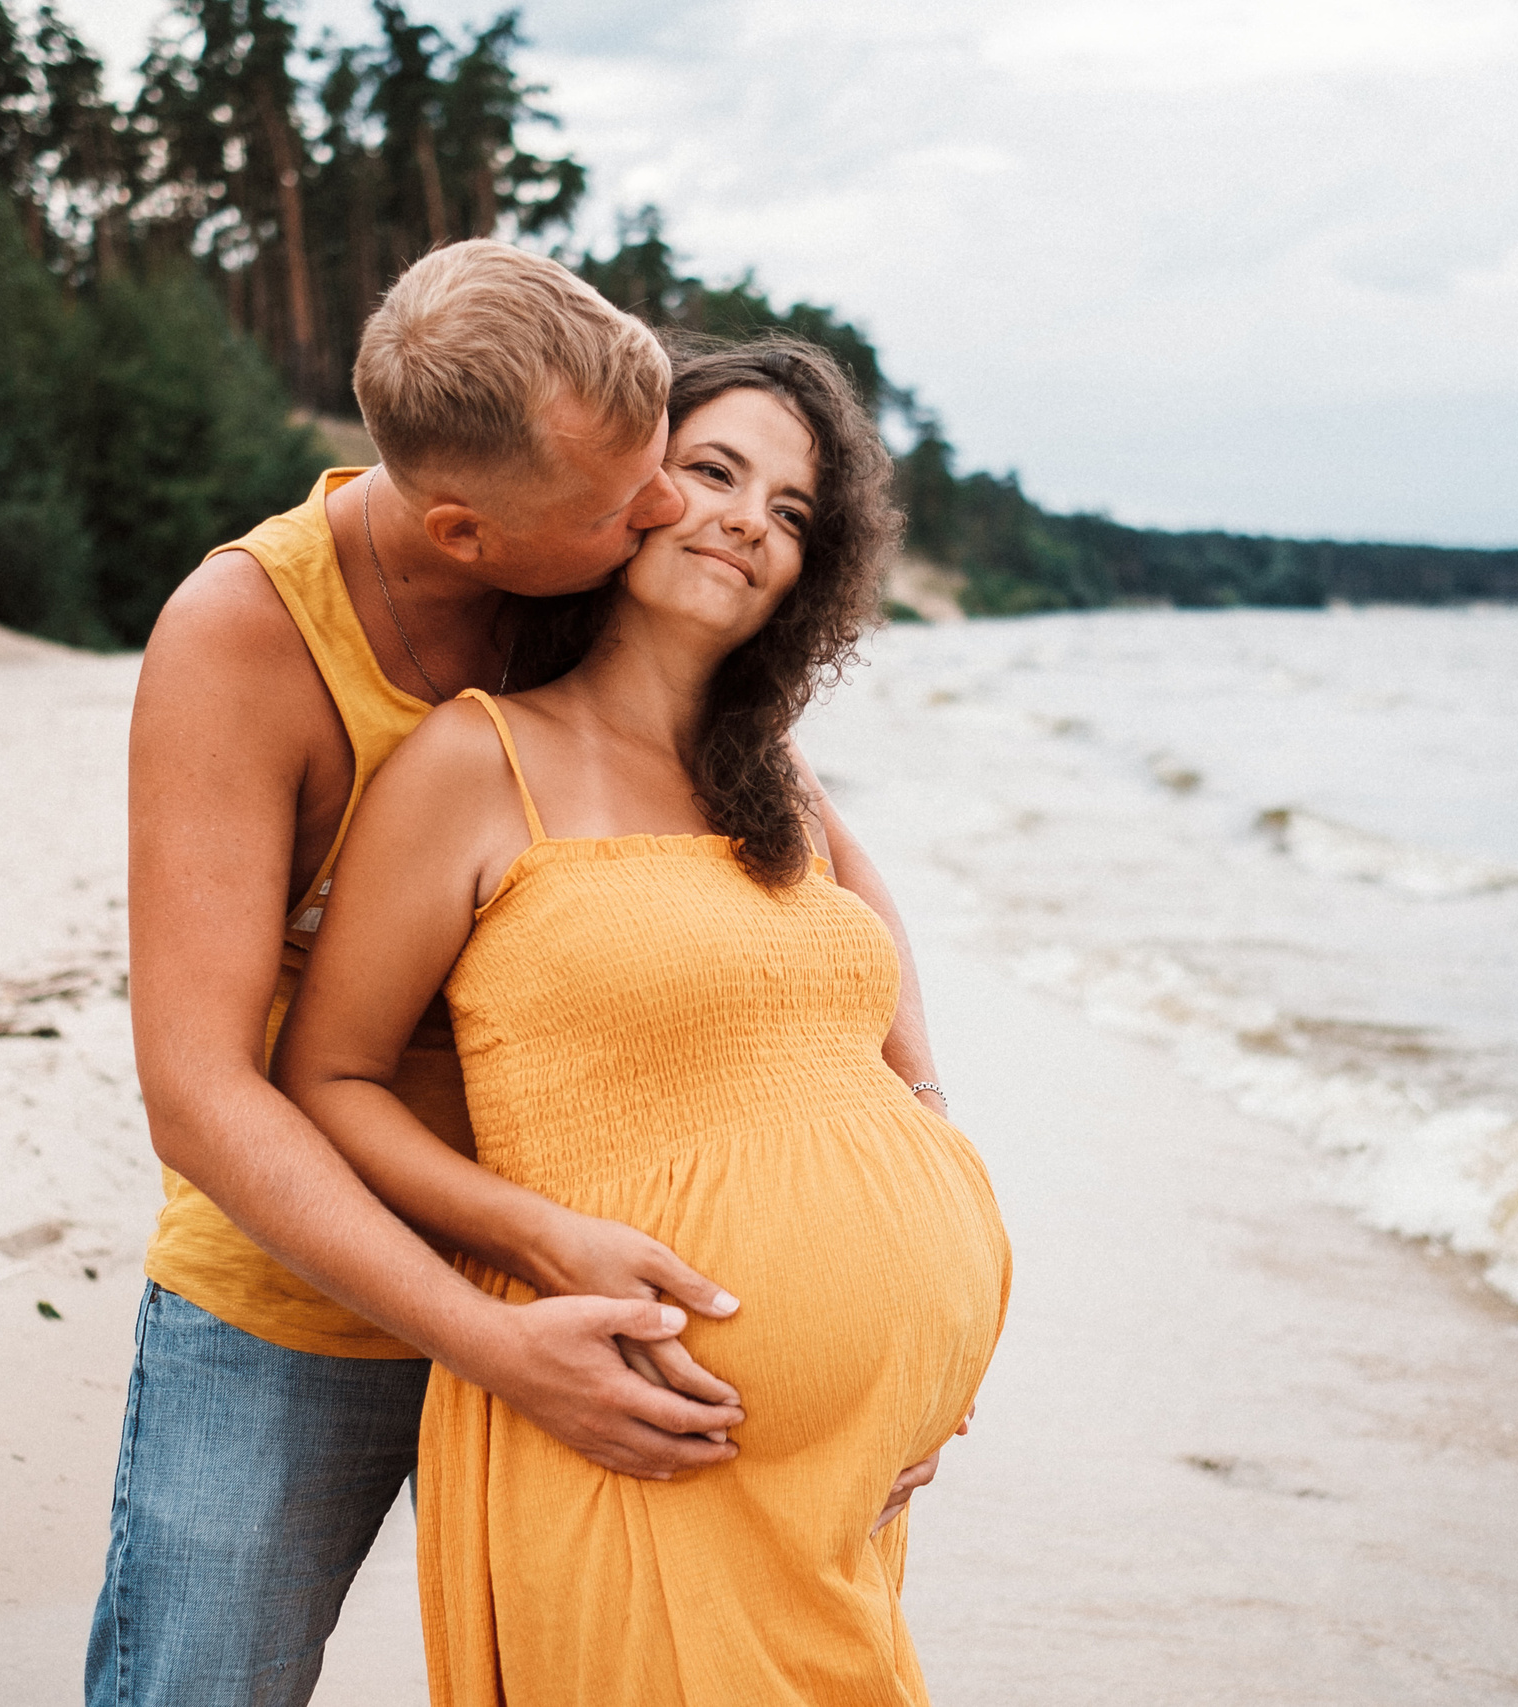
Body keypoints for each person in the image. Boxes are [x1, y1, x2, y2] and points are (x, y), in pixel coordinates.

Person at [90, 243, 959, 1704]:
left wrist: (913, 1221)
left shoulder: (607, 603)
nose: (674, 510)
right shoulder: (248, 637)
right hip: (309, 1299)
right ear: (467, 532)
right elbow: (199, 1092)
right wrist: (495, 1336)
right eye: (635, 499)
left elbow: (837, 878)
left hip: (606, 1315)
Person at [273, 338, 1012, 1704]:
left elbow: (874, 944)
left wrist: (931, 1171)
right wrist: (531, 1234)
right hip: (632, 1422)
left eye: (792, 512)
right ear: (622, 493)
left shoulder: (770, 776)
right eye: (714, 470)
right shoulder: (477, 761)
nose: (749, 519)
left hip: (841, 1489)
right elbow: (331, 1077)